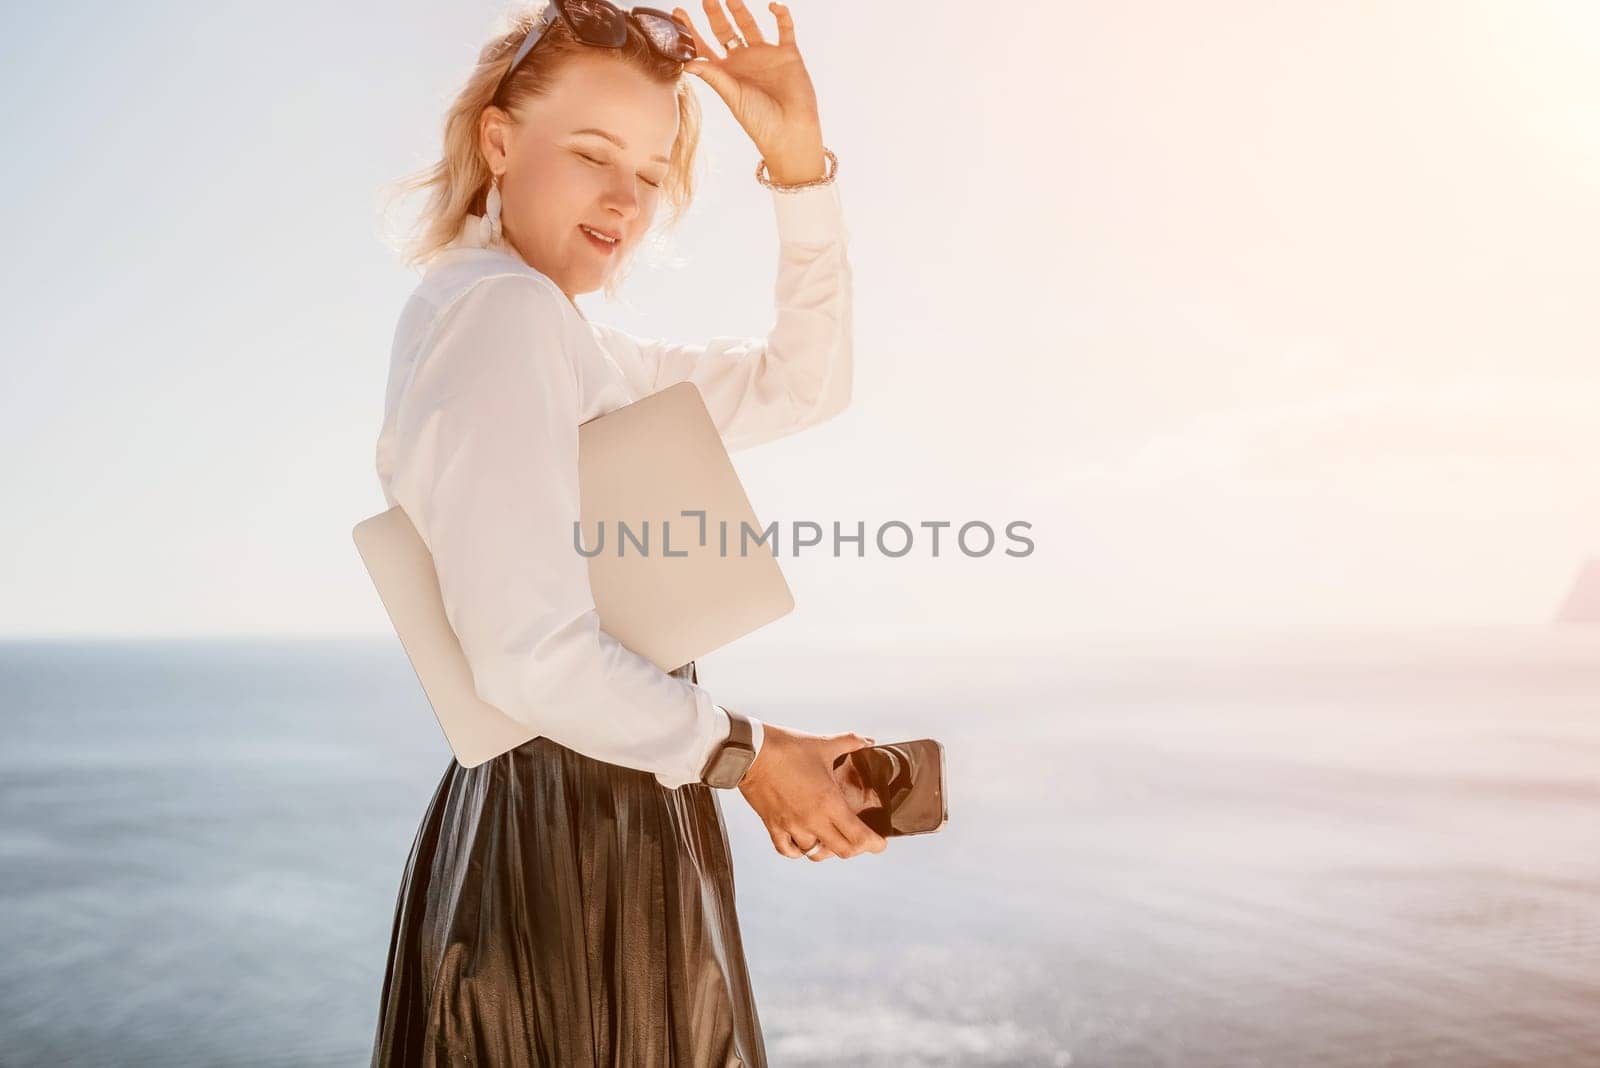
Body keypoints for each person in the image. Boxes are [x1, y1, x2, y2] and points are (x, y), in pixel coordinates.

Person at [367, 1, 885, 1063]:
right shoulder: (503, 317)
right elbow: (527, 658)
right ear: (499, 141)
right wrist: (751, 754)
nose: (625, 201)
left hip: (593, 808)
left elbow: (804, 385)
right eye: (594, 155)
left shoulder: (551, 330)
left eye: (650, 174)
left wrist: (797, 169)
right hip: (568, 838)